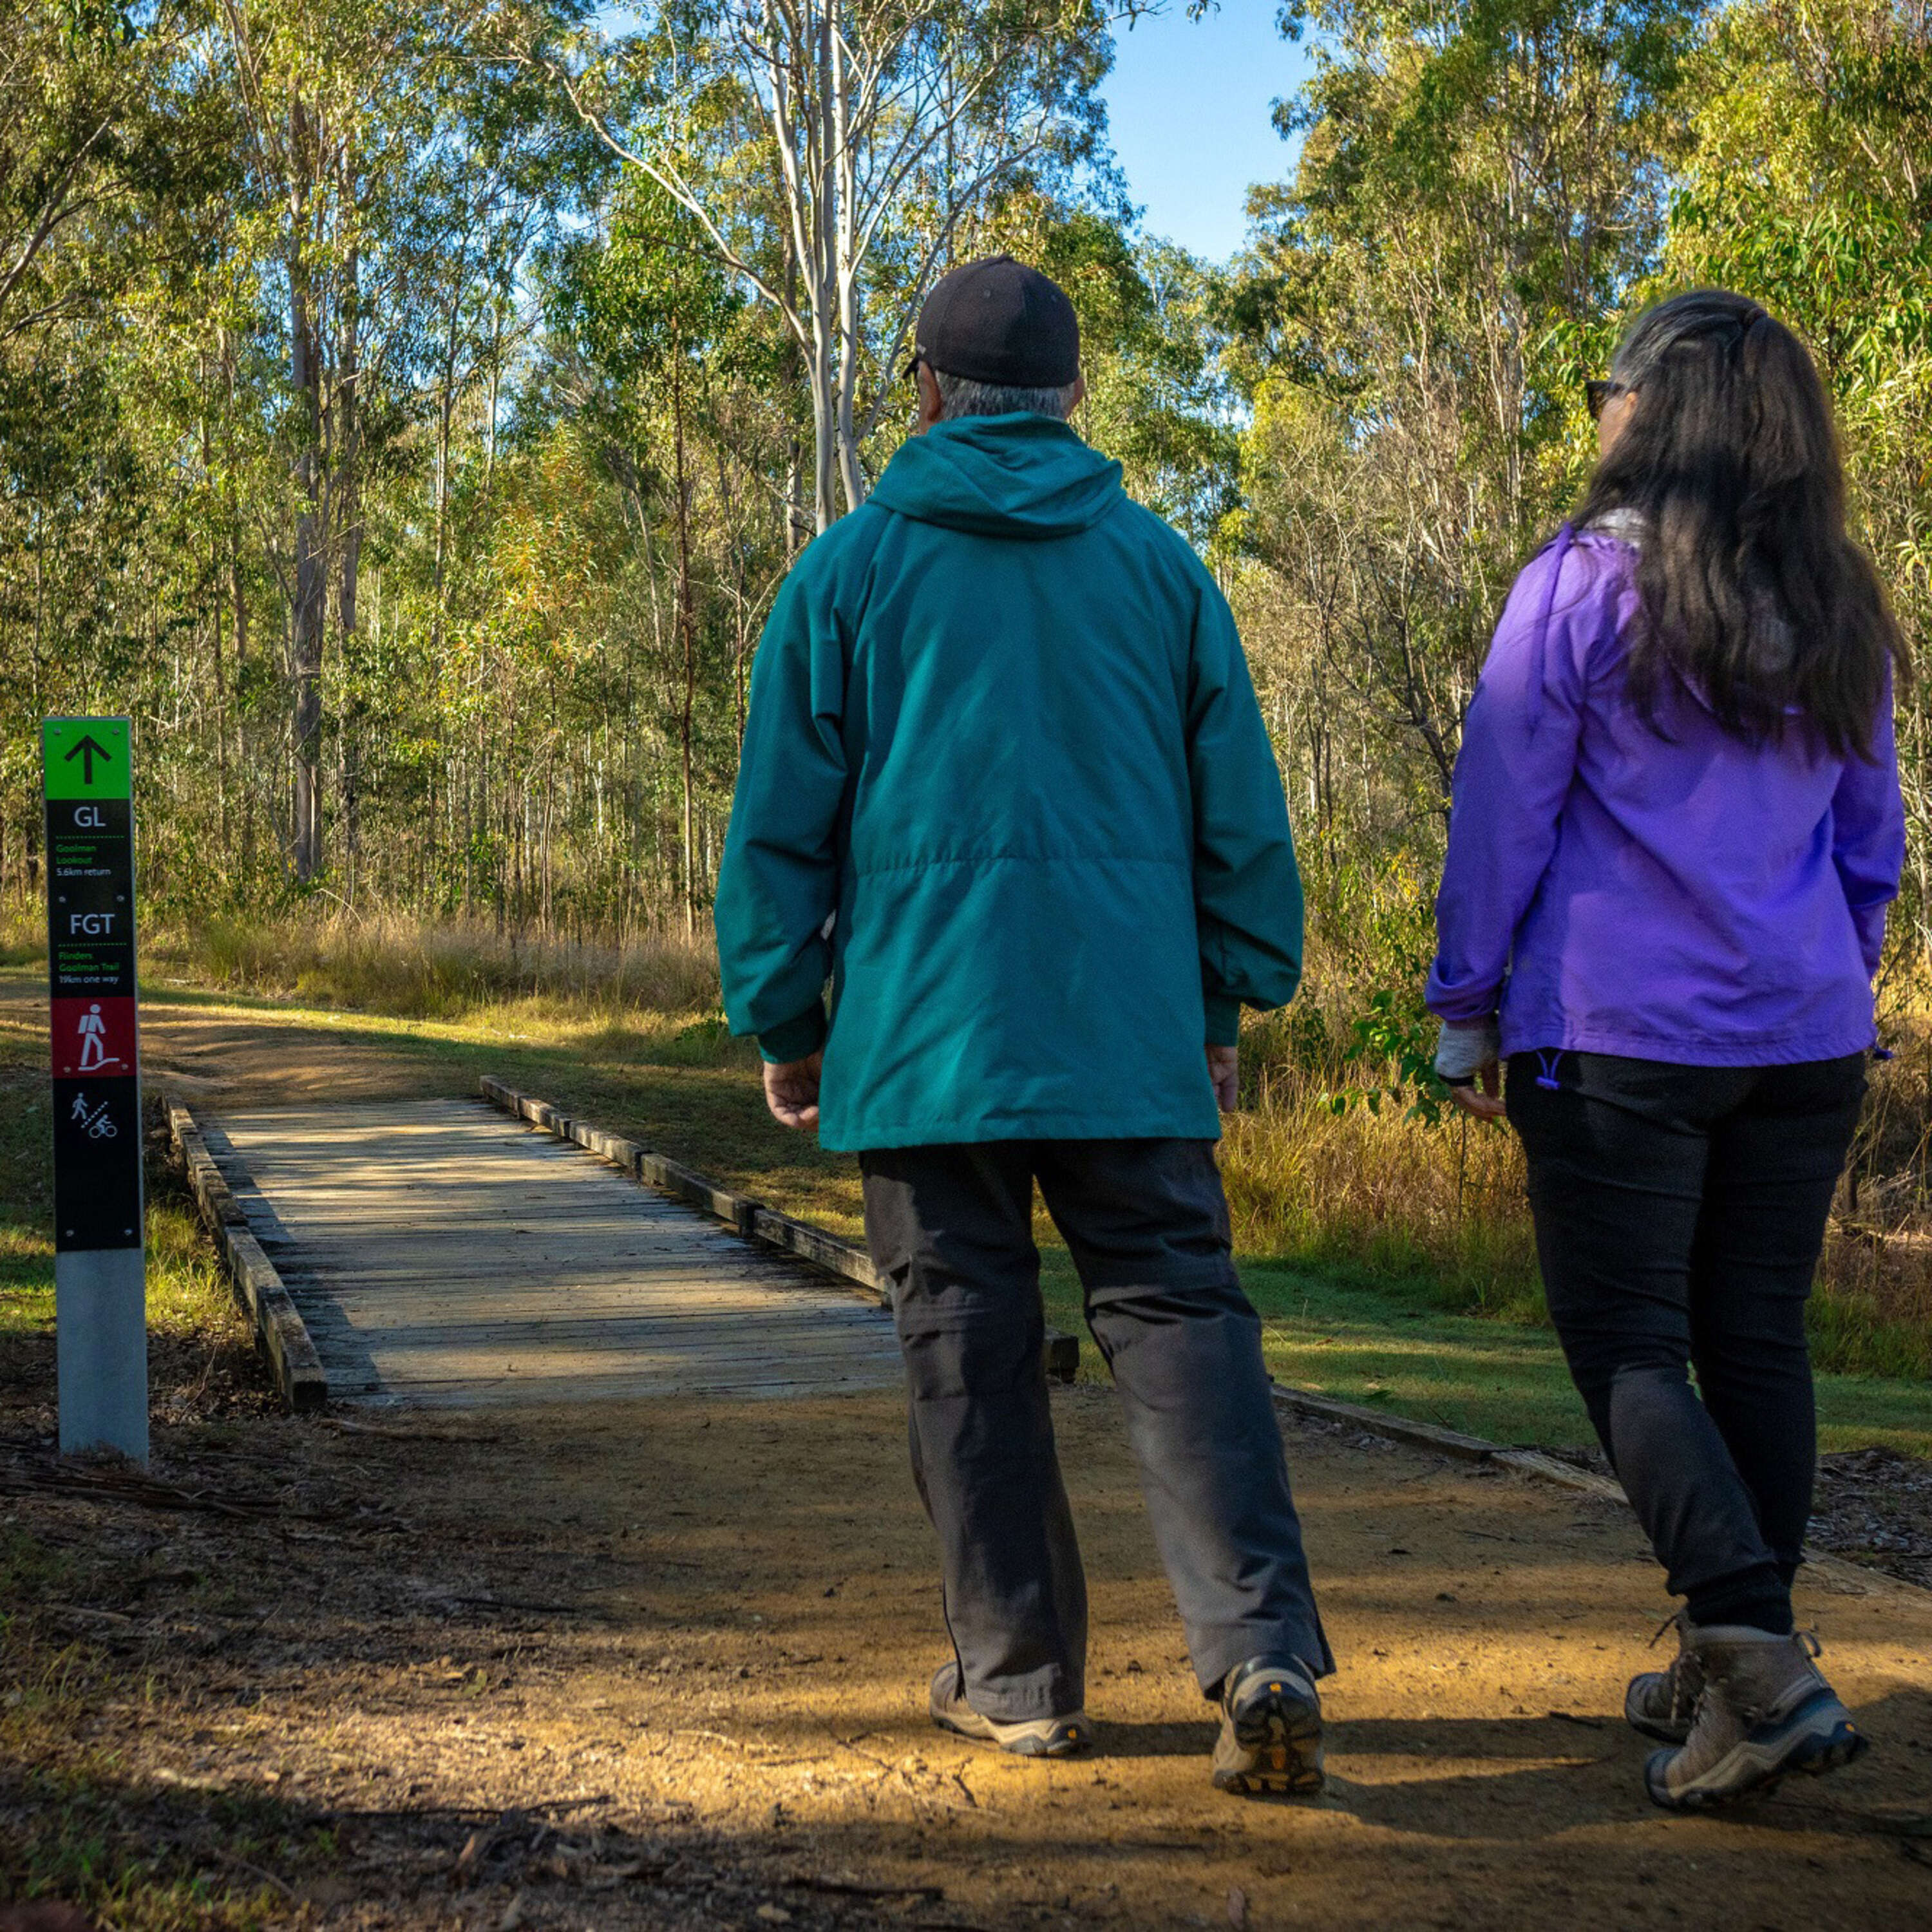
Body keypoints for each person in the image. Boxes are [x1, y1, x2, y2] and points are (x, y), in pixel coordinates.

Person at [714, 254, 1331, 1795]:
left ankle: (1020, 1680)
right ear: (1072, 399)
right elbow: (1237, 819)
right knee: (1180, 1317)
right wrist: (1228, 996)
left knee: (966, 1343)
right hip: (1128, 1034)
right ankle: (1255, 1645)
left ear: (924, 391)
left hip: (924, 1044)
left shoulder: (845, 575)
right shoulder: (1162, 571)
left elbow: (782, 830)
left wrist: (788, 1019)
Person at [1428, 289, 1908, 1810]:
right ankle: (1730, 1661)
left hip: (1620, 1036)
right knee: (1755, 1339)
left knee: (1632, 1343)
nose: (1595, 416)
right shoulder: (1839, 609)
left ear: (1650, 412)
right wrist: (1834, 975)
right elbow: (1869, 841)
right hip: (1806, 1034)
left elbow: (1505, 814)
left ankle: (1757, 1666)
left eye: (1600, 389)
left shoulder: (1577, 590)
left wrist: (1464, 1006)